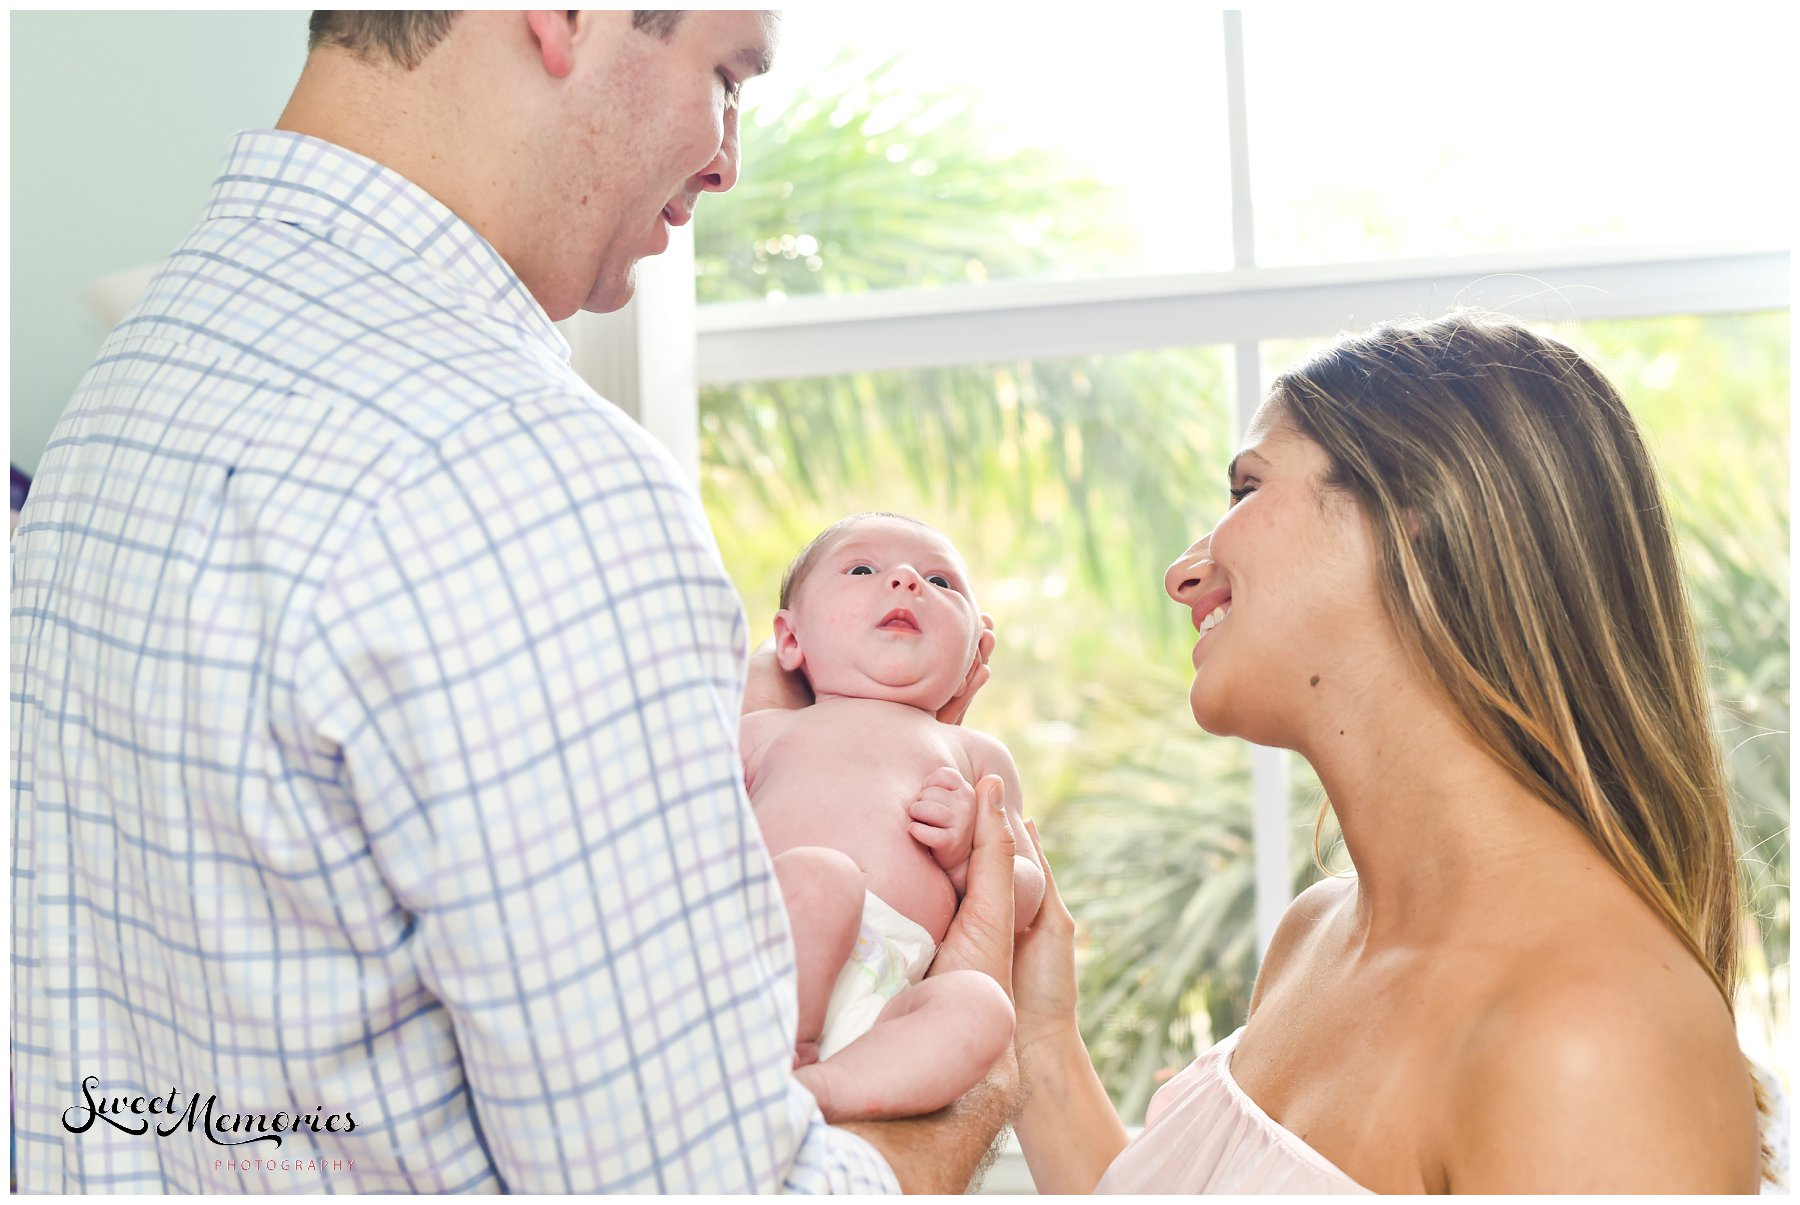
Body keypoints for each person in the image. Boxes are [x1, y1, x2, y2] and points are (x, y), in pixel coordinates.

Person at [11, 12, 1020, 1193]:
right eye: (725, 77)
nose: (726, 156)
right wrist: (973, 1109)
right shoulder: (524, 477)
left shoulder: (131, 393)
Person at [1007, 312, 1766, 1192]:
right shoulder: (1312, 940)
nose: (1184, 571)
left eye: (1247, 490)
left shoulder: (1589, 1039)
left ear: (1417, 517)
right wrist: (1037, 1036)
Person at [743, 513, 1045, 1123]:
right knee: (822, 877)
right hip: (768, 950)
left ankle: (817, 1090)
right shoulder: (762, 732)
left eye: (942, 582)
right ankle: (783, 1051)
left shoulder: (974, 755)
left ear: (969, 663)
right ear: (791, 641)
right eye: (862, 569)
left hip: (888, 994)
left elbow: (1027, 888)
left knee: (982, 1006)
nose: (908, 580)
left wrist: (971, 856)